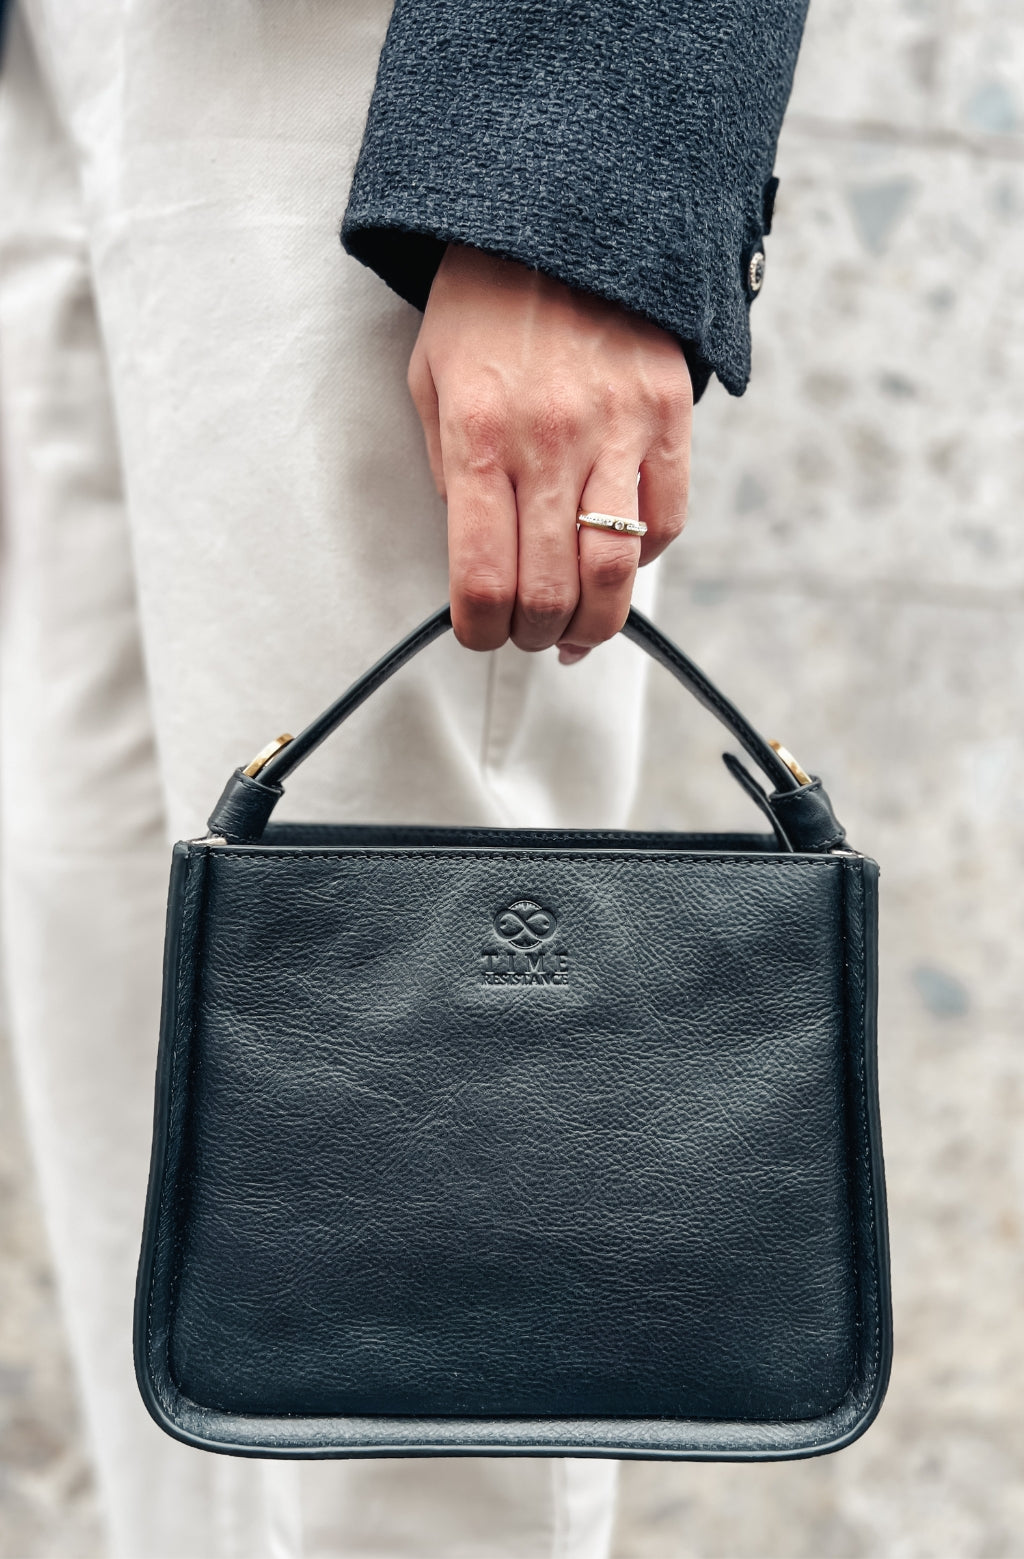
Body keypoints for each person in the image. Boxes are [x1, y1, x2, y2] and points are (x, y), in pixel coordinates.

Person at [0, 1, 808, 1554]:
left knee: (427, 1343)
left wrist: (575, 157)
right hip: (58, 70)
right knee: (173, 1309)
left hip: (395, 80)